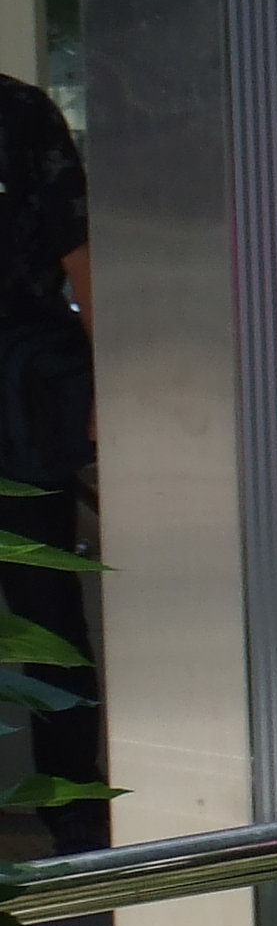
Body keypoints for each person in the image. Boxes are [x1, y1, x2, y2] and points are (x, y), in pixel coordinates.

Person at [0, 72, 103, 852]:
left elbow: (82, 254)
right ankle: (73, 827)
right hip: (27, 393)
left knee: (45, 619)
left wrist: (112, 388)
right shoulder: (20, 108)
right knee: (45, 618)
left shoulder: (18, 111)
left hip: (22, 400)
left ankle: (74, 827)